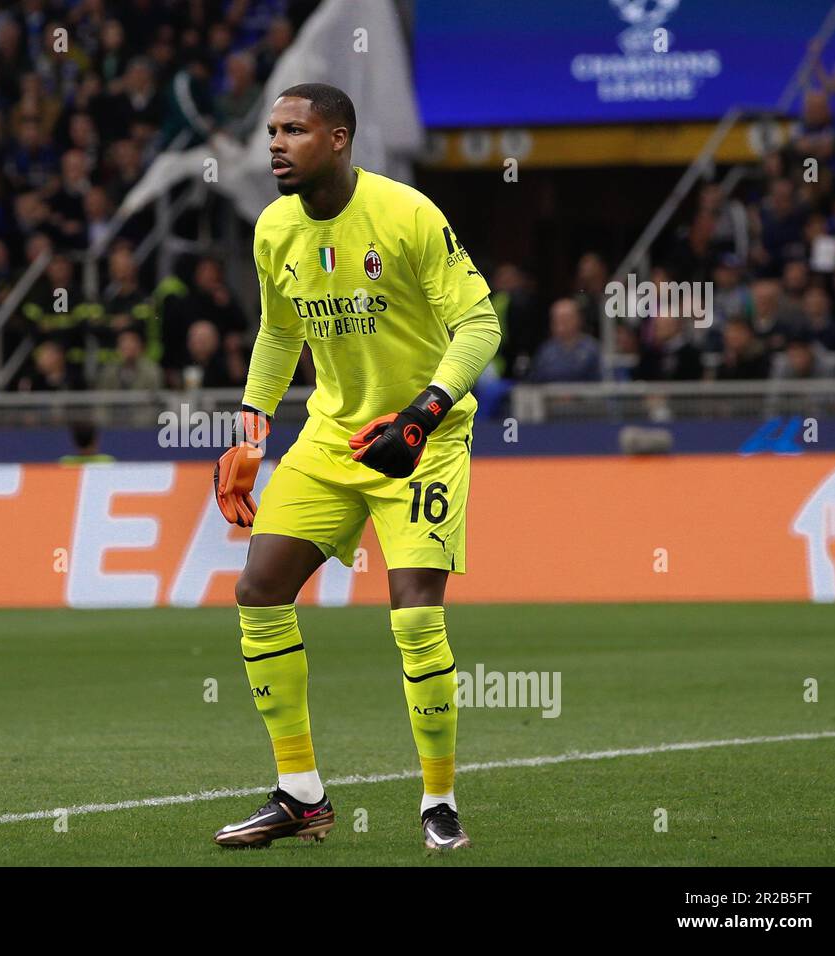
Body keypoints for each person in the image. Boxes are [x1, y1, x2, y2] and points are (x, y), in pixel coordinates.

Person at [211, 84, 500, 852]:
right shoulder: (273, 227)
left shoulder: (407, 214)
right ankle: (300, 793)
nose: (276, 143)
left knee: (413, 616)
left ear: (338, 139)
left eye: (295, 130)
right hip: (334, 436)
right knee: (258, 589)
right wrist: (250, 430)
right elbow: (279, 332)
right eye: (272, 130)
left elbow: (480, 323)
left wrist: (424, 412)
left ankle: (438, 801)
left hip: (423, 440)